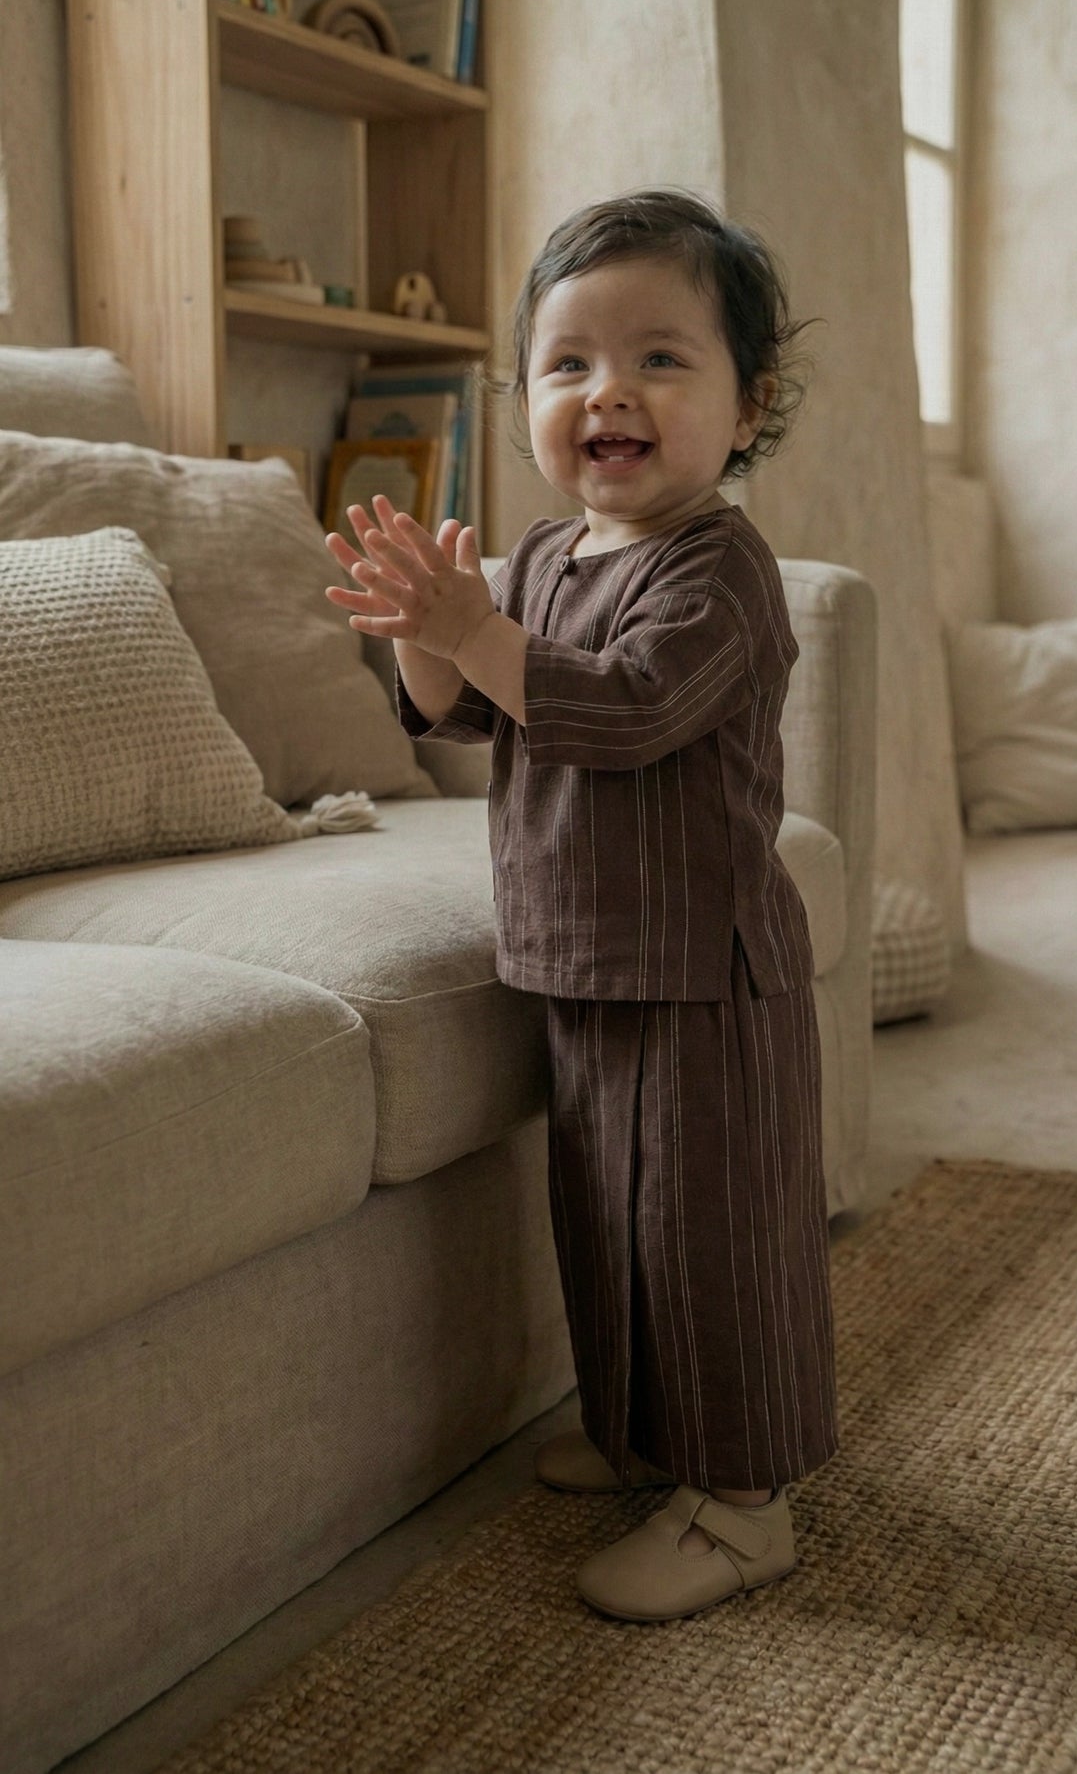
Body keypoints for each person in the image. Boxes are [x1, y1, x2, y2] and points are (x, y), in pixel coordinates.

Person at [325, 187, 839, 1623]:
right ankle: (641, 1435)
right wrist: (428, 637)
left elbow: (624, 712)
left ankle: (743, 1503)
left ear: (749, 406)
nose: (608, 391)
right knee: (606, 1223)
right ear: (525, 400)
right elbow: (470, 715)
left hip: (701, 970)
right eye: (568, 364)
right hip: (576, 954)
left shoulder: (721, 569)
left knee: (708, 1238)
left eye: (660, 358)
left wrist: (475, 628)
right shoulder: (546, 559)